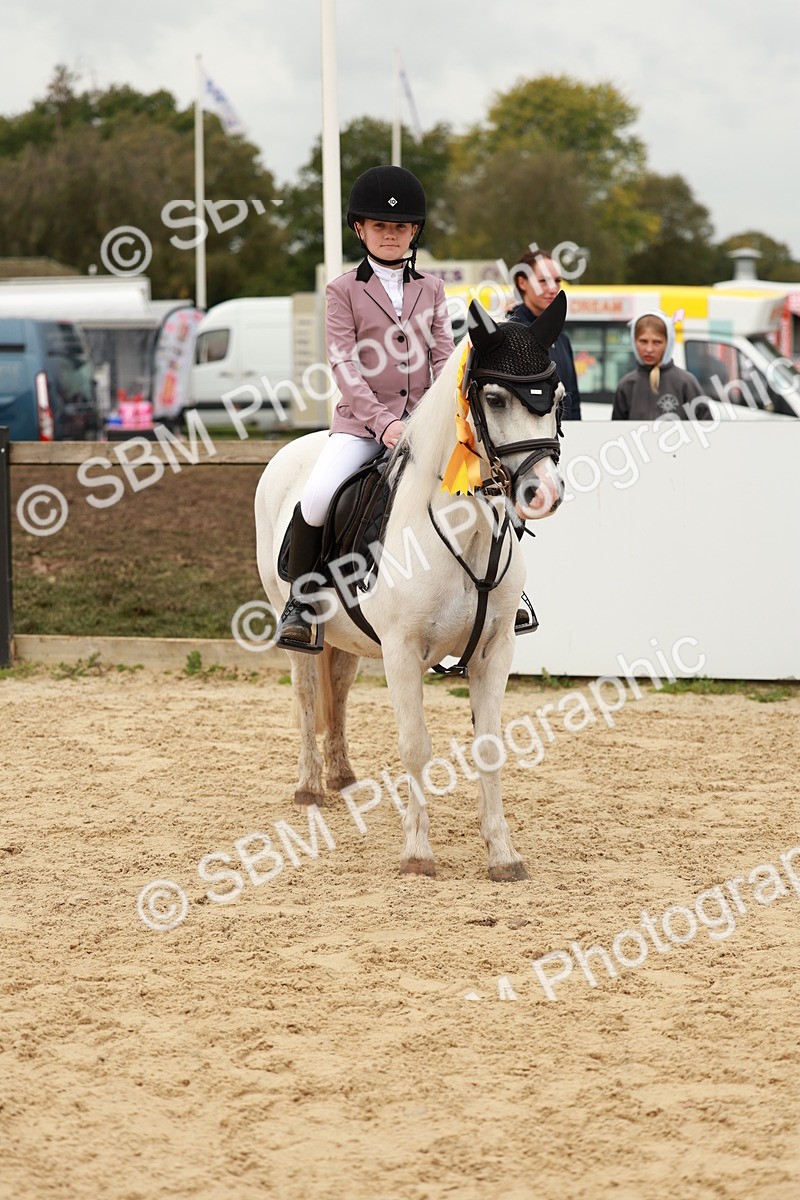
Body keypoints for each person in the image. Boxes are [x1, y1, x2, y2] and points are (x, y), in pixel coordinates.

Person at [275, 165, 456, 653]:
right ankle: (302, 601)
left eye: (399, 227)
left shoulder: (433, 290)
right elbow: (344, 365)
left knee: (480, 482)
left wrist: (433, 420)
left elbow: (443, 358)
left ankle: (502, 598)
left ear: (413, 231)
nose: (391, 235)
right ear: (361, 229)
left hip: (426, 425)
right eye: (381, 227)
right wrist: (385, 424)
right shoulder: (343, 291)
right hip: (362, 425)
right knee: (316, 497)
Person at [508, 248, 581, 420]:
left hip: (566, 440)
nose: (553, 288)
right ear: (522, 282)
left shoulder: (562, 338)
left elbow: (573, 400)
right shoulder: (510, 336)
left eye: (557, 281)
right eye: (543, 281)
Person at [612, 311, 706, 420]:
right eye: (643, 341)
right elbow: (617, 429)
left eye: (657, 342)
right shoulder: (627, 385)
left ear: (668, 343)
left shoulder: (685, 383)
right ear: (634, 341)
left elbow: (705, 425)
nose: (649, 349)